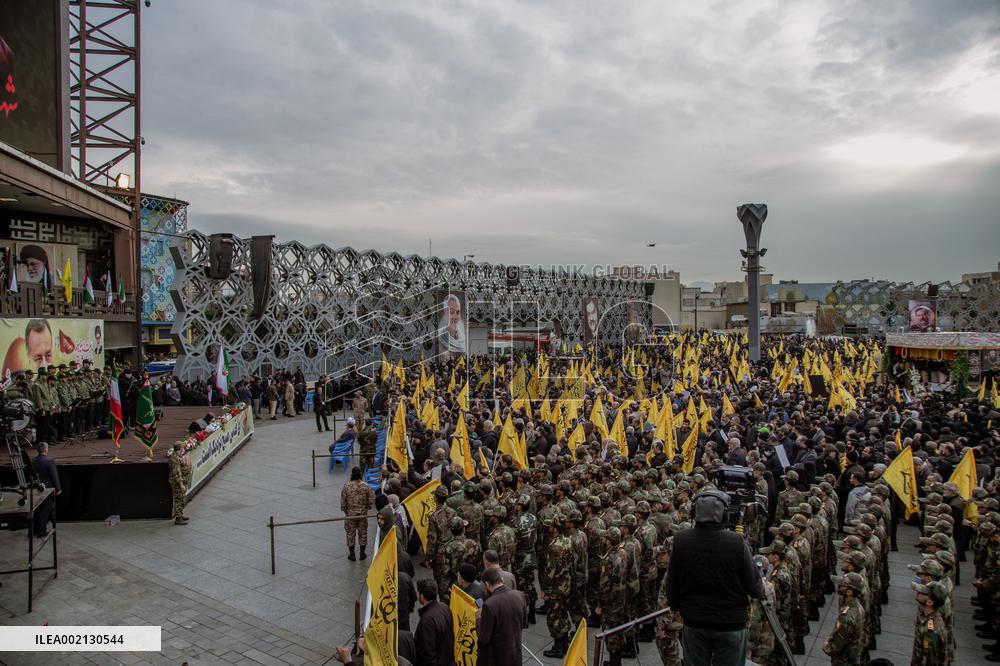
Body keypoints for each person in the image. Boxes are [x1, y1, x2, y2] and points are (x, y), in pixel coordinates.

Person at [667, 490, 765, 666]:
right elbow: (755, 587)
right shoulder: (736, 542)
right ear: (724, 515)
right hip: (730, 623)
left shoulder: (681, 540)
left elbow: (672, 580)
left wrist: (675, 607)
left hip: (694, 621)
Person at [477, 567, 527, 666]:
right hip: (515, 654)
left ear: (487, 584)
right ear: (502, 580)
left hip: (497, 657)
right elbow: (524, 623)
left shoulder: (489, 604)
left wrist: (479, 619)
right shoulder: (520, 595)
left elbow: (484, 637)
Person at [414, 578, 455, 666]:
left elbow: (428, 654)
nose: (416, 594)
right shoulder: (444, 607)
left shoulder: (427, 621)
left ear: (421, 596)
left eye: (417, 592)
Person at [340, 466, 374, 560]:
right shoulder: (366, 486)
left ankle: (352, 554)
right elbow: (370, 501)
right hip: (362, 514)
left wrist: (345, 510)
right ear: (360, 474)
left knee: (350, 533)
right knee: (363, 533)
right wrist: (366, 508)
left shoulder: (347, 486)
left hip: (350, 515)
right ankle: (362, 553)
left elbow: (343, 502)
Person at [30, 442, 60, 537]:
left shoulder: (32, 460)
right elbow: (54, 476)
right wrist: (58, 488)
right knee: (45, 509)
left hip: (35, 487)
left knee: (36, 509)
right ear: (46, 450)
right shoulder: (49, 461)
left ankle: (33, 530)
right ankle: (41, 531)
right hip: (47, 488)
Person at [168, 441, 192, 525]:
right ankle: (178, 518)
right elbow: (177, 473)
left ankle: (180, 515)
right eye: (182, 447)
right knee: (178, 499)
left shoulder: (178, 455)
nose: (183, 449)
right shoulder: (174, 459)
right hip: (177, 483)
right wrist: (181, 484)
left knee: (182, 498)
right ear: (179, 448)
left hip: (182, 481)